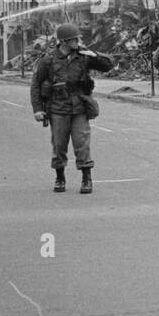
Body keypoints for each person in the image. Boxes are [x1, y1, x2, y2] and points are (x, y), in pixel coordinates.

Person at [30, 23, 114, 193]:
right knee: (59, 145)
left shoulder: (83, 56)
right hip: (58, 108)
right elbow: (36, 85)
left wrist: (93, 53)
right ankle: (60, 177)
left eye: (77, 38)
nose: (77, 41)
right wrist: (38, 109)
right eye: (74, 39)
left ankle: (86, 178)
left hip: (79, 108)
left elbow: (108, 65)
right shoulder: (48, 60)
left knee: (82, 143)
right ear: (64, 41)